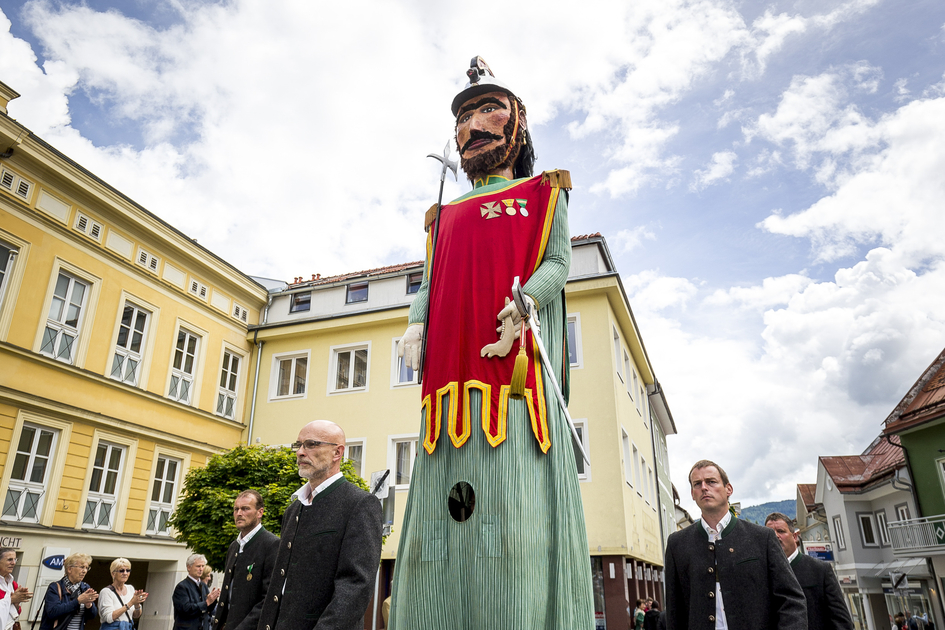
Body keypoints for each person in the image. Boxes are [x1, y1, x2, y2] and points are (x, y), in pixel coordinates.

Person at [390, 55, 593, 630]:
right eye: (462, 116)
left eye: (487, 109)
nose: (471, 124)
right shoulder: (442, 216)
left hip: (515, 383)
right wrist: (413, 323)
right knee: (439, 526)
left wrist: (526, 300)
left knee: (511, 522)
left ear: (517, 124)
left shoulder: (543, 193)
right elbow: (430, 284)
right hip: (445, 386)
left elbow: (557, 264)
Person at [256, 420, 382, 630]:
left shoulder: (359, 503)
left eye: (311, 444)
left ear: (337, 453)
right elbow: (279, 584)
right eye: (299, 445)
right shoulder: (294, 508)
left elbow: (355, 586)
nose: (300, 453)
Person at [664, 460, 806, 630]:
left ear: (728, 489)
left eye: (711, 482)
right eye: (697, 484)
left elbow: (791, 600)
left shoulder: (762, 538)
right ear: (693, 494)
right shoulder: (677, 544)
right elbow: (674, 611)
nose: (704, 487)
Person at [765, 512, 853, 630]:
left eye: (781, 531)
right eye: (770, 533)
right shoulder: (761, 573)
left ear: (795, 536)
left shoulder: (820, 570)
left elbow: (841, 620)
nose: (776, 536)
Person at [211, 490, 279, 630]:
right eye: (236, 509)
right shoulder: (234, 546)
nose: (239, 513)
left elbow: (269, 599)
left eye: (245, 508)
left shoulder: (272, 544)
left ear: (260, 512)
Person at [39, 553, 98, 630]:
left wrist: (89, 605)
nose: (85, 571)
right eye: (82, 567)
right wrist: (78, 601)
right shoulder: (55, 587)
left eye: (87, 568)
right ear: (69, 569)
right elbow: (52, 612)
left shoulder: (85, 588)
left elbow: (92, 616)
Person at [173, 554, 219, 630]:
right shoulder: (182, 587)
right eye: (198, 566)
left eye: (203, 566)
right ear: (189, 567)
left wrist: (213, 600)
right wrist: (206, 603)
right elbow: (185, 609)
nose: (201, 569)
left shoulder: (203, 586)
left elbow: (209, 609)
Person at [99, 558, 147, 630]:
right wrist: (131, 603)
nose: (125, 573)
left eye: (128, 570)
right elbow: (109, 618)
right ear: (113, 573)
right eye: (121, 570)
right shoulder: (106, 592)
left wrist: (137, 604)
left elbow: (136, 616)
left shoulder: (130, 588)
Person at [1, 547, 31, 630]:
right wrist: (11, 599)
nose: (13, 563)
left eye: (15, 559)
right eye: (9, 559)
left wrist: (16, 603)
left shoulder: (13, 584)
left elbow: (16, 612)